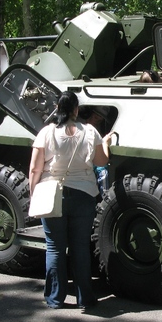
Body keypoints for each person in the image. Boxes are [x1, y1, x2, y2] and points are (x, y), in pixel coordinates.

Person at [28, 91, 112, 310]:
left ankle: (55, 299)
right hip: (84, 194)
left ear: (58, 108)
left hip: (51, 193)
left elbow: (35, 168)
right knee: (80, 247)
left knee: (55, 247)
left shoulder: (46, 132)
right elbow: (101, 161)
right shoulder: (91, 131)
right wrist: (106, 143)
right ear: (76, 110)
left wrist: (33, 193)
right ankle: (86, 298)